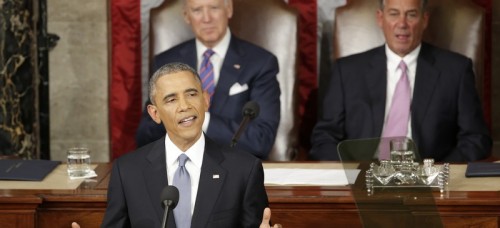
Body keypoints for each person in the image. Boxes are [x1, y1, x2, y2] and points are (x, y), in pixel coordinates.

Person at [99, 62, 281, 227]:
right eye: (171, 99)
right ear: (155, 114)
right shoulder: (128, 171)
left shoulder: (244, 169)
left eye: (191, 94)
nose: (184, 106)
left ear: (206, 100)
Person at [310, 0, 492, 162]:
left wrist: (437, 172)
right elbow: (325, 137)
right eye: (394, 14)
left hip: (428, 183)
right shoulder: (348, 71)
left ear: (424, 20)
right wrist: (352, 172)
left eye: (411, 15)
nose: (402, 24)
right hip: (362, 181)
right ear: (380, 19)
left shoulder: (456, 70)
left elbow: (476, 138)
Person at [135, 0, 281, 159]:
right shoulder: (165, 62)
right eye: (197, 10)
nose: (206, 18)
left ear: (229, 9)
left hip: (235, 167)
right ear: (186, 16)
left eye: (214, 8)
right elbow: (145, 135)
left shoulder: (261, 63)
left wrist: (198, 118)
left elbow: (261, 140)